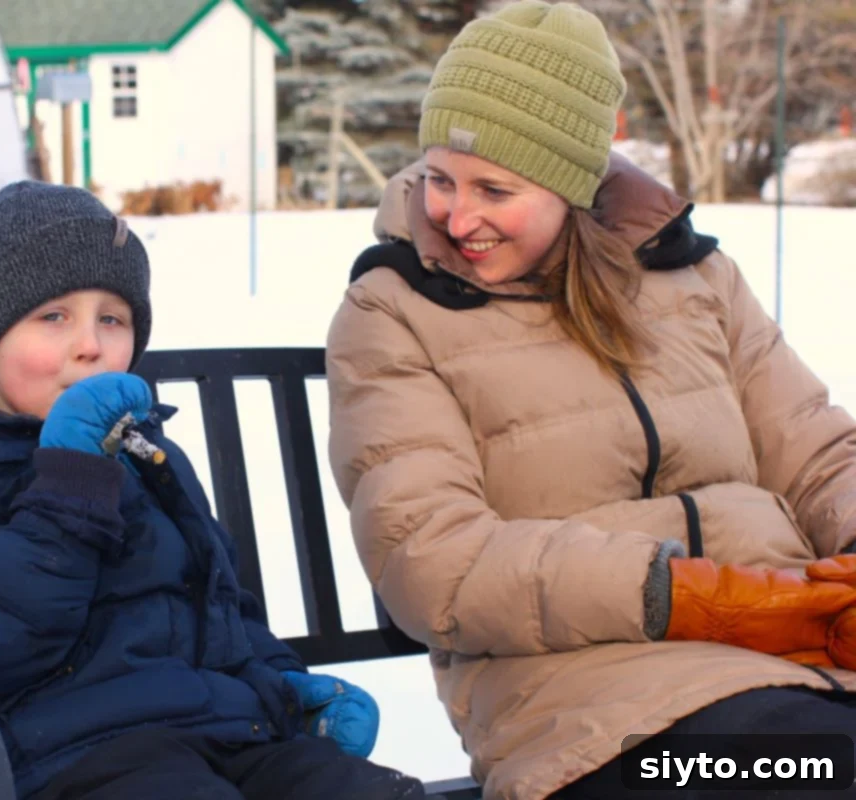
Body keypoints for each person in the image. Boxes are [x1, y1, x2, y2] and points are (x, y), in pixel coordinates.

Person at [323, 2, 856, 798]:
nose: (457, 216)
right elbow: (432, 559)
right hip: (595, 702)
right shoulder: (395, 310)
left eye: (493, 190)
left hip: (798, 656)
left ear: (574, 183)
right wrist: (695, 600)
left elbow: (814, 450)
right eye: (439, 179)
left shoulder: (696, 280)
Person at [0, 182, 425, 800]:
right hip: (73, 759)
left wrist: (283, 685)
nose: (90, 345)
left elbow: (214, 599)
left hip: (226, 735)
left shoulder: (143, 451)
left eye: (112, 318)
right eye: (53, 317)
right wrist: (69, 484)